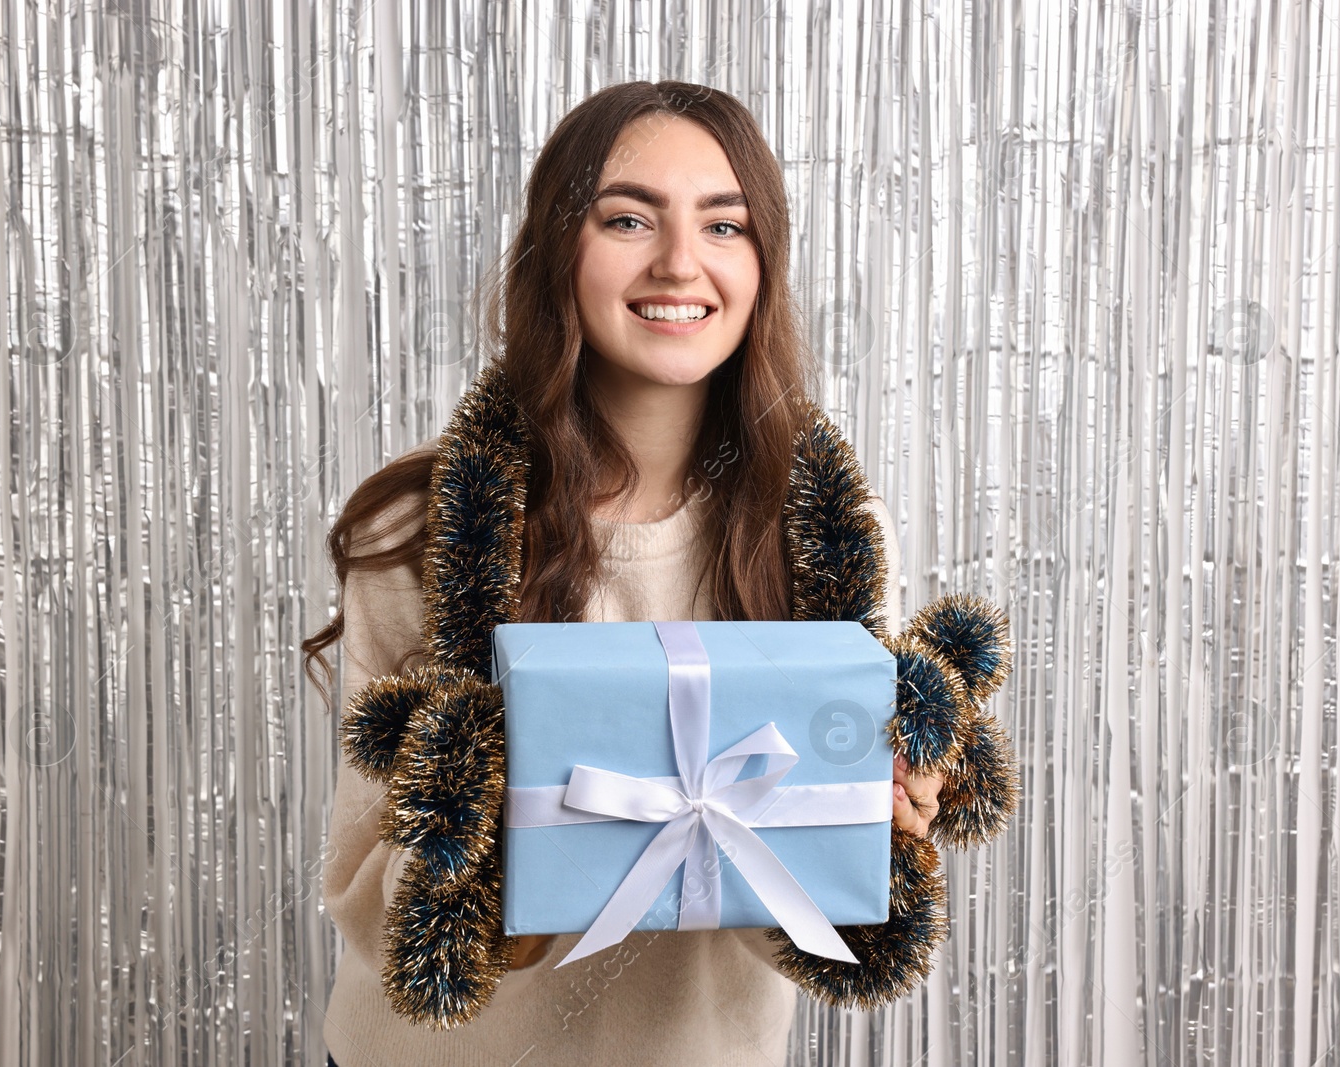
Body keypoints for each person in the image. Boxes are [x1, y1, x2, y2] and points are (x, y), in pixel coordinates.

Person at [303, 80, 945, 1067]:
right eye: (628, 217)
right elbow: (366, 889)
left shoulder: (827, 535)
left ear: (763, 261)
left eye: (723, 224)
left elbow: (829, 913)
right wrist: (494, 822)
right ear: (559, 247)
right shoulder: (422, 529)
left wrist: (878, 823)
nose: (679, 262)